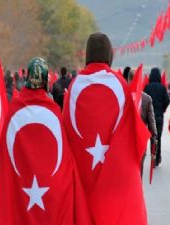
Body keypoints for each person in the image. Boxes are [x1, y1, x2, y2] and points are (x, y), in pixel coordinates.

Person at [0, 57, 92, 225]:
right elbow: (65, 157)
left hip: (21, 186)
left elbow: (6, 156)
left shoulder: (14, 110)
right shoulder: (53, 110)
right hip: (50, 188)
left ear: (28, 78)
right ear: (46, 80)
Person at [63, 32, 148, 225]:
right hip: (116, 169)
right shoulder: (119, 84)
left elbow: (66, 126)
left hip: (84, 166)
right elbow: (133, 127)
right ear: (109, 54)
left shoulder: (75, 85)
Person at [128, 70, 157, 176]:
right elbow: (152, 124)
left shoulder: (123, 96)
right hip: (141, 138)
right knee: (139, 167)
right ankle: (138, 189)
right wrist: (154, 145)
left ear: (129, 79)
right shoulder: (147, 98)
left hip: (126, 138)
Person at [144, 67, 170, 167]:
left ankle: (153, 158)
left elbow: (143, 100)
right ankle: (157, 158)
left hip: (150, 117)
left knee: (152, 138)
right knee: (158, 137)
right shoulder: (162, 87)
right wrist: (162, 108)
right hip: (159, 116)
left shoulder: (147, 87)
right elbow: (167, 100)